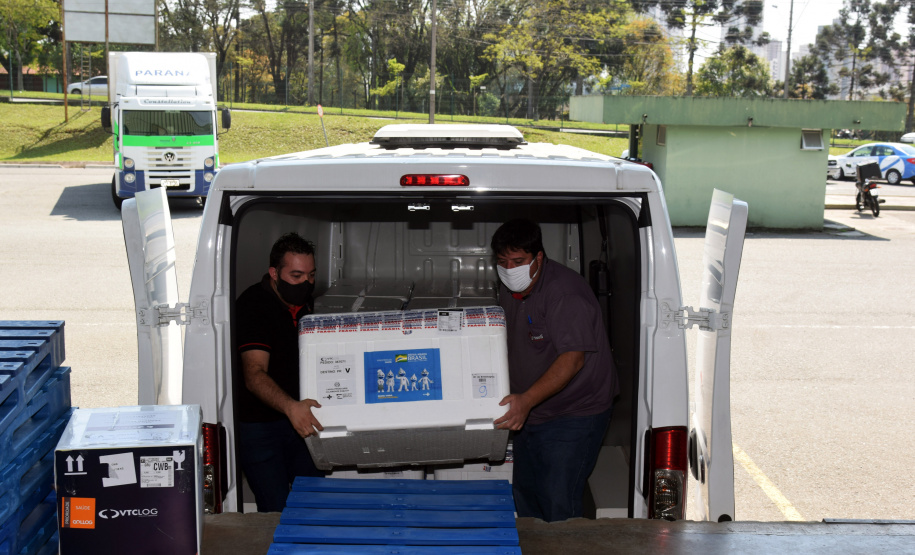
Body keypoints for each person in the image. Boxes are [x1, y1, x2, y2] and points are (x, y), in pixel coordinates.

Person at [491, 218, 619, 522]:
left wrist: (526, 399)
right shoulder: (512, 287)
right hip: (532, 409)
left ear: (538, 257)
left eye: (518, 261)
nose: (509, 269)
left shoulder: (564, 293)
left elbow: (572, 360)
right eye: (502, 261)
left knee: (558, 499)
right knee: (527, 493)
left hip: (574, 413)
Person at [235, 232, 325, 512]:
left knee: (312, 499)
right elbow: (254, 374)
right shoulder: (254, 307)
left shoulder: (303, 304)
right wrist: (291, 407)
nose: (305, 283)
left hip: (298, 419)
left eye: (311, 276)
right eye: (296, 276)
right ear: (274, 273)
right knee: (275, 510)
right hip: (260, 427)